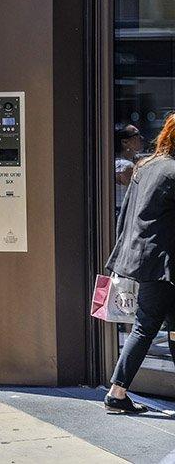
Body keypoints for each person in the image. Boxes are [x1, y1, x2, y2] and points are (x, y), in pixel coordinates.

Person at [104, 113, 175, 414]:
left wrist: (123, 254)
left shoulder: (144, 168)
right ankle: (116, 392)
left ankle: (117, 393)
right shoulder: (171, 172)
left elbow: (127, 216)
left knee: (166, 328)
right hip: (164, 267)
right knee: (148, 328)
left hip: (149, 263)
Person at [115, 124, 144, 210]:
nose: (141, 138)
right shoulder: (126, 166)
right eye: (136, 135)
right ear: (125, 142)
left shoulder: (126, 162)